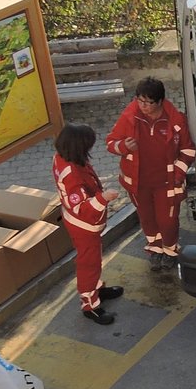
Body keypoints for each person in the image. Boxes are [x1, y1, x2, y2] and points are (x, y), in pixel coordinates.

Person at [106, 77, 196, 272]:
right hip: (139, 184)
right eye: (140, 100)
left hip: (167, 183)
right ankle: (155, 249)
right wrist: (123, 147)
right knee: (147, 219)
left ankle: (170, 251)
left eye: (149, 102)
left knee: (168, 221)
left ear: (160, 101)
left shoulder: (176, 120)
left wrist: (178, 175)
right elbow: (111, 142)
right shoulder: (130, 117)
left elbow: (188, 151)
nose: (143, 106)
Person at [53, 122, 124, 325]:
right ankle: (90, 305)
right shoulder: (72, 175)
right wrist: (104, 198)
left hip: (82, 224)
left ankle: (97, 289)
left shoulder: (62, 159)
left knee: (92, 263)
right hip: (84, 226)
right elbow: (83, 208)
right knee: (89, 265)